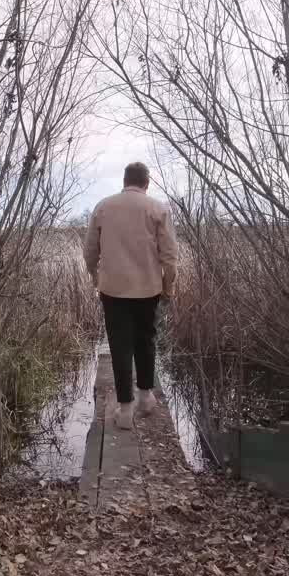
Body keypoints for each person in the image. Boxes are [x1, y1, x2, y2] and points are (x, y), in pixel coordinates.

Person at [82, 162, 179, 429]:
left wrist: (94, 275)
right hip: (148, 289)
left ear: (125, 181)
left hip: (112, 289)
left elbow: (90, 250)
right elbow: (170, 257)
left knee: (120, 346)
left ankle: (125, 410)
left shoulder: (103, 206)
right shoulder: (158, 209)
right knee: (146, 339)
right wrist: (168, 286)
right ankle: (146, 397)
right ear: (146, 183)